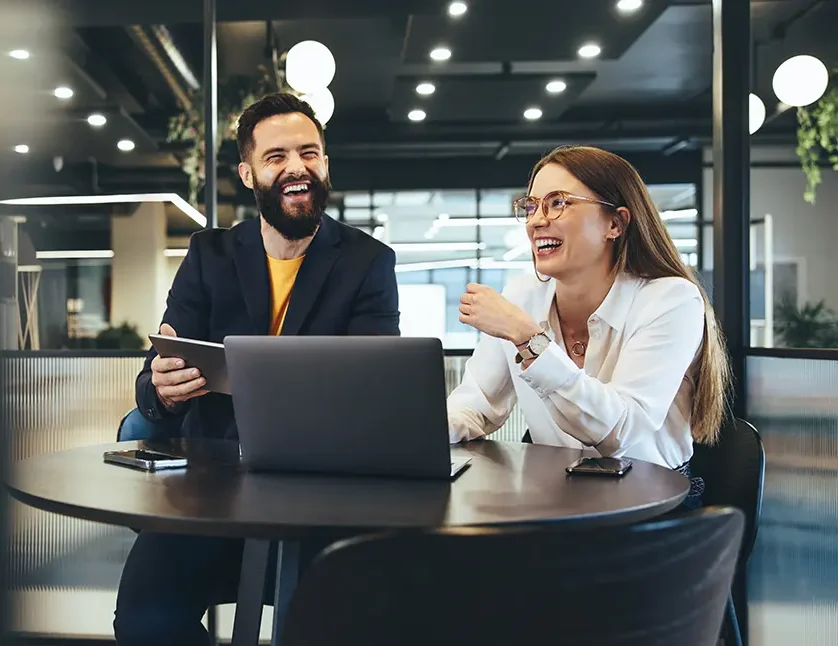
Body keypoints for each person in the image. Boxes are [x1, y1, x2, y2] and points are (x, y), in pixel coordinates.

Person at [114, 92, 400, 646]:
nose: (297, 167)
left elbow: (371, 389)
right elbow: (155, 377)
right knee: (145, 622)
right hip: (208, 488)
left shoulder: (368, 261)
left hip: (319, 495)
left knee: (334, 626)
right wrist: (165, 389)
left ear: (325, 163)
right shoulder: (210, 254)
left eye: (309, 153)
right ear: (248, 173)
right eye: (276, 157)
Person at [447, 145, 730, 507]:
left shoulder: (671, 300)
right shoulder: (522, 296)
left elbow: (619, 434)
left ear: (615, 223)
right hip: (553, 497)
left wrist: (529, 339)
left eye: (557, 202)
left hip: (651, 503)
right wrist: (415, 432)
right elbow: (476, 406)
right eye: (531, 206)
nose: (535, 221)